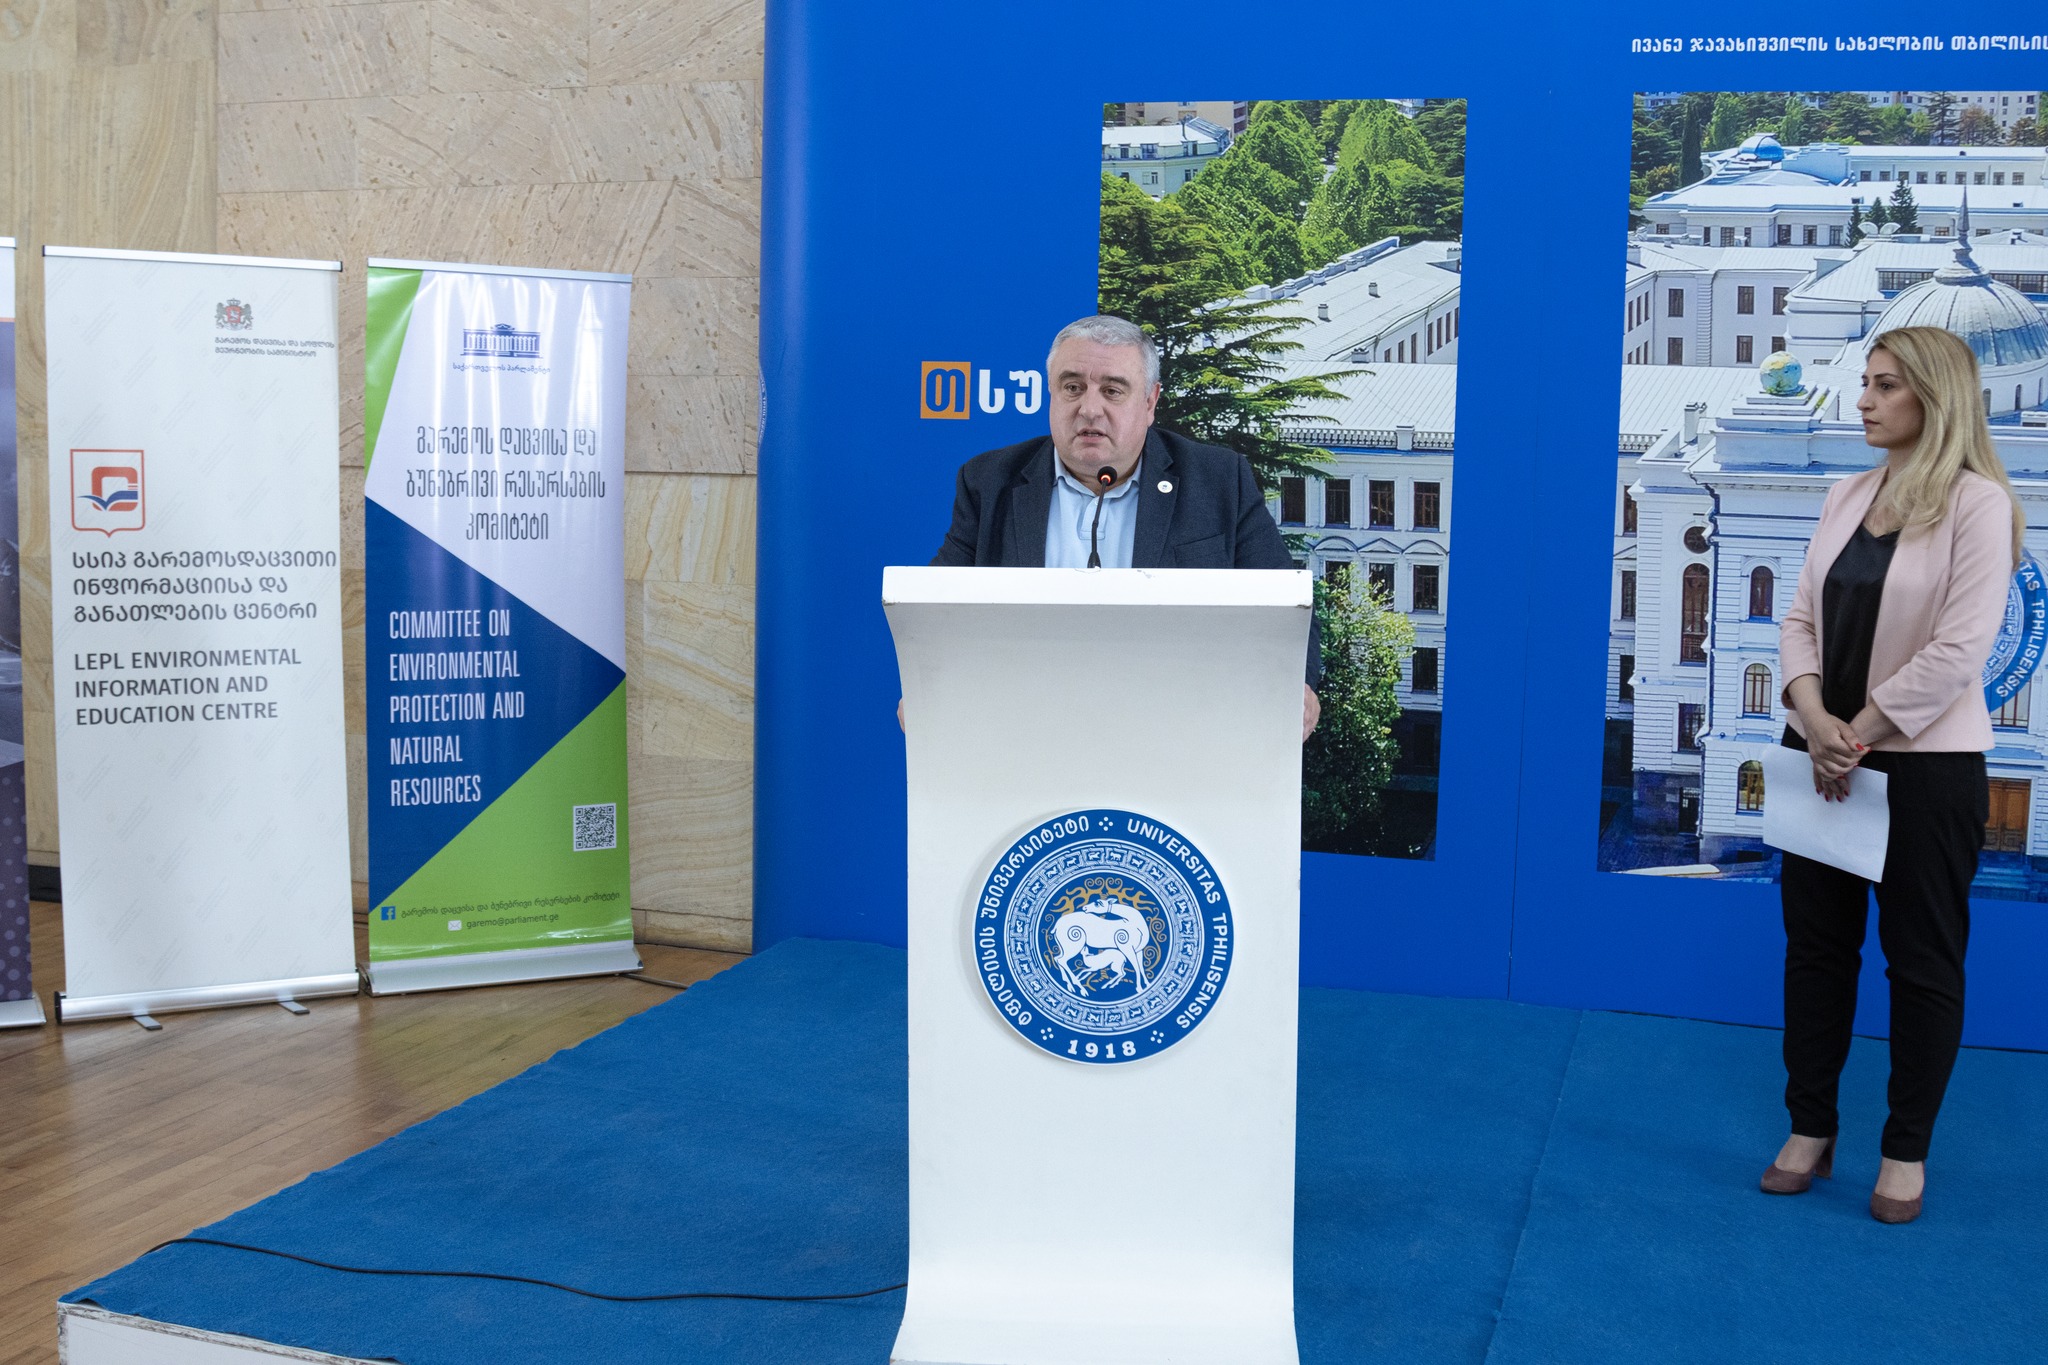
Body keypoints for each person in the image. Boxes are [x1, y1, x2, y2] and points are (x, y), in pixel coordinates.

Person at [1761, 326, 2024, 1224]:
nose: (1864, 401)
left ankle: (1904, 1148)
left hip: (1924, 769)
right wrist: (1814, 719)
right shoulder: (1845, 493)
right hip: (1818, 756)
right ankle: (1810, 1125)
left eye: (1885, 386)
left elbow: (1959, 650)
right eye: (1865, 383)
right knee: (1815, 952)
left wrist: (1858, 734)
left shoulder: (1980, 505)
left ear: (1934, 399)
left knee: (1921, 964)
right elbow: (1798, 620)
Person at [928, 314, 1320, 738]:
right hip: (1025, 728)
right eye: (1072, 387)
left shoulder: (1218, 481)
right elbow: (937, 608)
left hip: (1178, 730)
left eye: (1112, 391)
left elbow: (1287, 607)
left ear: (1150, 402)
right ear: (1051, 394)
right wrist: (928, 685)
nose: (1089, 409)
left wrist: (1295, 688)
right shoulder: (989, 482)